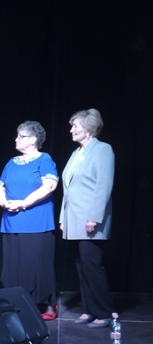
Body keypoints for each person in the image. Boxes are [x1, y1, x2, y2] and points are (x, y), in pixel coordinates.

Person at [0, 121, 59, 320]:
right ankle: (16, 302)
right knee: (13, 264)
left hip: (36, 221)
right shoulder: (11, 162)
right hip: (11, 220)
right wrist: (3, 202)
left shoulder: (44, 159)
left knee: (37, 264)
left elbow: (49, 186)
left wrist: (23, 203)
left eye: (21, 136)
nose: (16, 139)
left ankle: (46, 304)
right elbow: (0, 186)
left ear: (33, 140)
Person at [60, 108, 115, 328]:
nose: (71, 130)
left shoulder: (102, 150)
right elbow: (68, 189)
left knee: (92, 266)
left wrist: (94, 217)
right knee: (81, 266)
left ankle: (104, 313)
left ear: (89, 129)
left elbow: (103, 186)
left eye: (75, 126)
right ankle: (89, 310)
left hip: (90, 219)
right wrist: (63, 217)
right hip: (73, 219)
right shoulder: (76, 153)